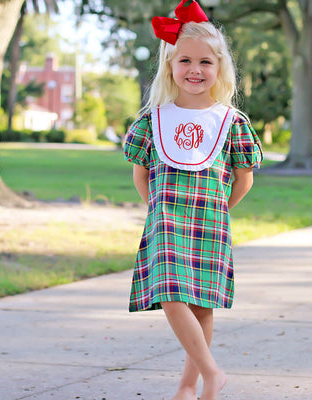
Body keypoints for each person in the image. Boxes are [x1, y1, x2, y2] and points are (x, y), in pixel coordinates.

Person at [124, 1, 263, 399]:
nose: (195, 70)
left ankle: (191, 387)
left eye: (205, 62)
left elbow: (244, 178)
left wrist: (221, 209)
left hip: (209, 221)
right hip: (166, 221)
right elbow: (141, 171)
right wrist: (158, 209)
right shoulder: (154, 119)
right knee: (170, 294)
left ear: (220, 69)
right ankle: (212, 372)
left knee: (201, 306)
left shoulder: (230, 122)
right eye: (184, 60)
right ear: (170, 65)